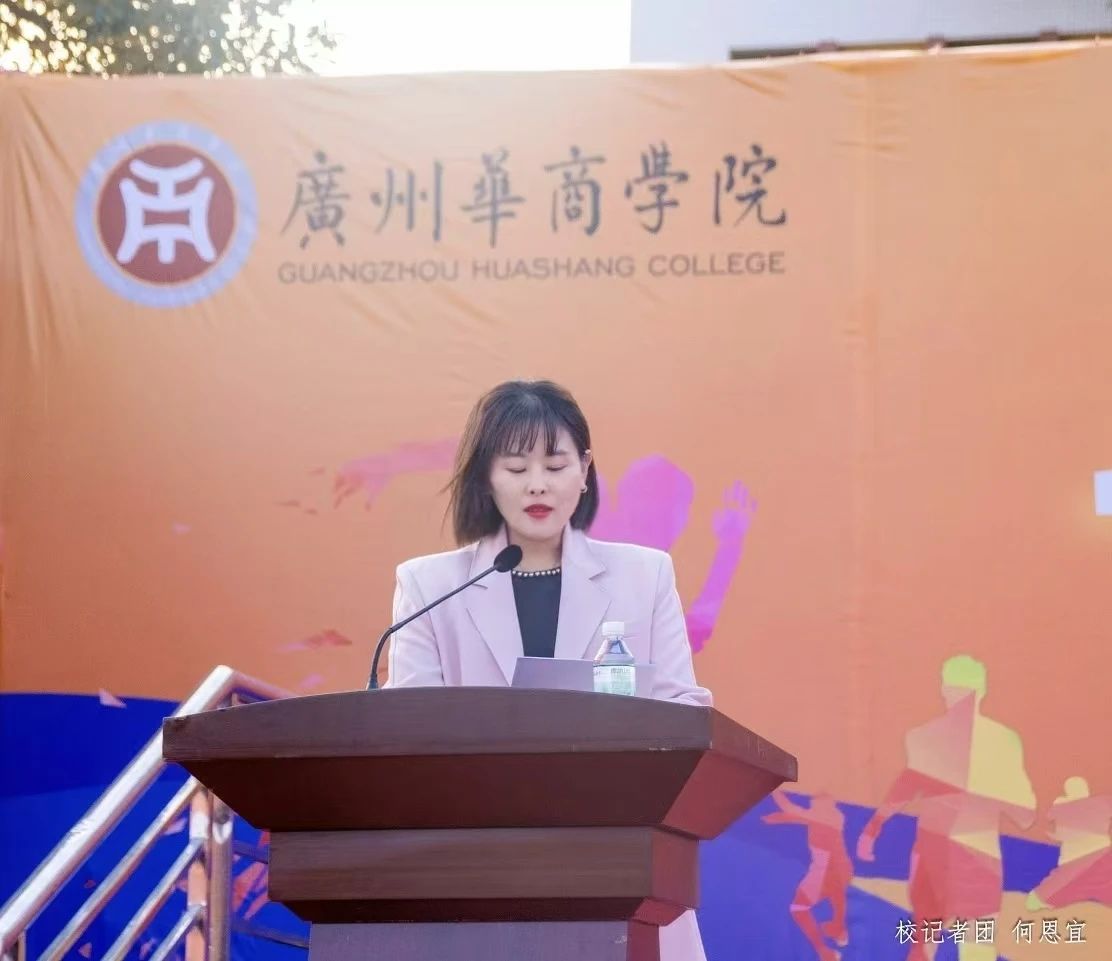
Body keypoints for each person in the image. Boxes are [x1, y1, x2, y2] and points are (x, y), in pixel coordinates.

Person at [386, 379, 712, 961]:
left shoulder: (645, 576)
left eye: (556, 465)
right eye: (516, 467)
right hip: (476, 863)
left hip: (617, 855)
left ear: (584, 471)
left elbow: (682, 712)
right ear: (487, 476)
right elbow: (409, 728)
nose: (537, 484)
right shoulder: (429, 585)